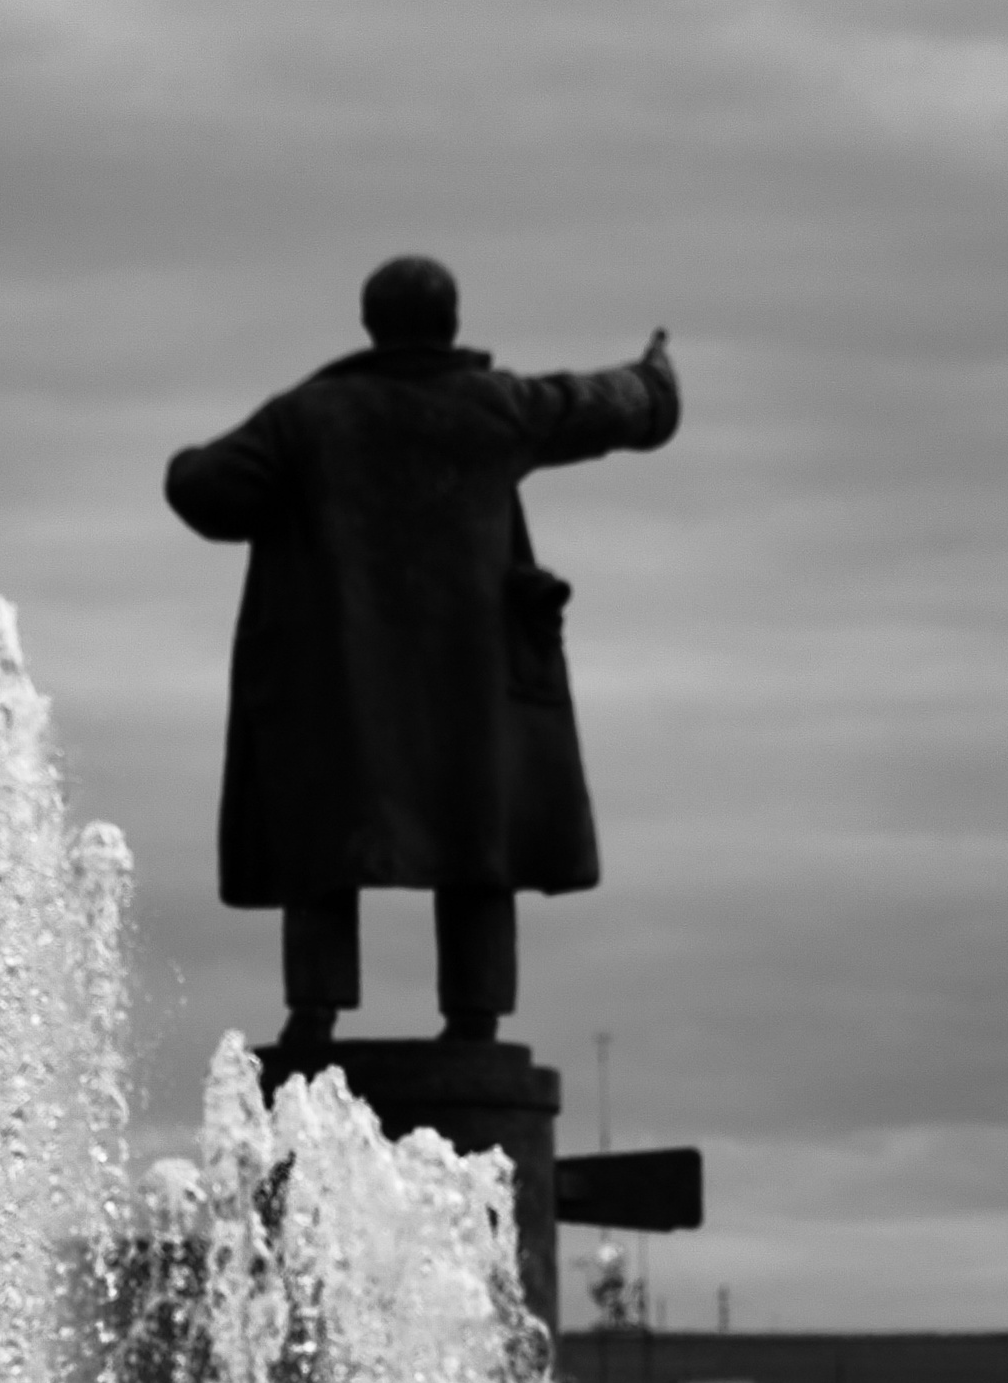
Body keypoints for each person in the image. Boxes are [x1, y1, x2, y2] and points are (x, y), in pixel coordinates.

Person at [164, 256, 679, 1050]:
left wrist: (186, 464)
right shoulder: (494, 407)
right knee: (478, 842)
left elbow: (206, 492)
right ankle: (473, 1022)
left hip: (336, 689)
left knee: (322, 845)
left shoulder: (306, 419)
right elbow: (599, 406)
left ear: (371, 324)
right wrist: (652, 381)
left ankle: (314, 1016)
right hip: (466, 691)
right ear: (452, 322)